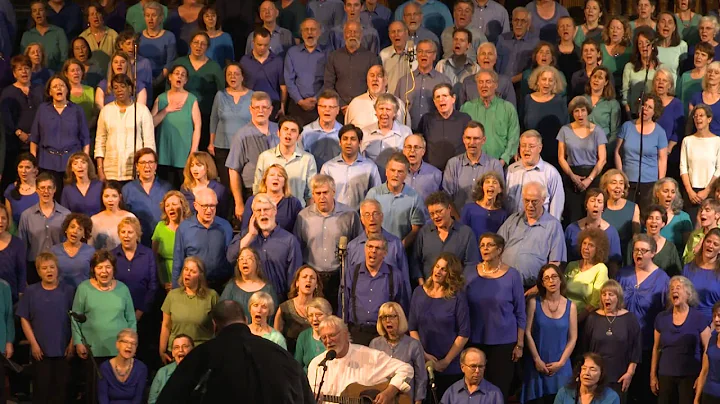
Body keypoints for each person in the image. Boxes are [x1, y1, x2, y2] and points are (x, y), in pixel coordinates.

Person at [156, 300, 314, 403]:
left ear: (214, 325)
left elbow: (170, 397)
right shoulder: (279, 353)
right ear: (245, 320)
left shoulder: (202, 355)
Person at [72, 250, 136, 403]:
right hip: (93, 351)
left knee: (116, 392)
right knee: (94, 393)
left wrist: (130, 344)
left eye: (108, 267)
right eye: (100, 267)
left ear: (113, 269)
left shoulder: (123, 289)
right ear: (94, 269)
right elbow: (75, 318)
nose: (104, 271)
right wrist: (78, 342)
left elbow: (131, 320)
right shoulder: (84, 288)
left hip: (118, 351)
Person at [465, 234, 525, 399]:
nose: (484, 248)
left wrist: (519, 344)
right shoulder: (470, 273)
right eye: (482, 245)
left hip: (504, 342)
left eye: (489, 245)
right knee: (475, 389)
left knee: (499, 389)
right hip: (475, 340)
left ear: (499, 250)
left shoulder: (513, 275)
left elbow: (520, 312)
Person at [616, 234, 670, 403]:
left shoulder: (662, 280)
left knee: (642, 393)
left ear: (653, 253)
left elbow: (665, 315)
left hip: (646, 345)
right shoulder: (623, 274)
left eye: (643, 250)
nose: (638, 253)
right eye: (636, 250)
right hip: (621, 342)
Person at [308, 315, 413, 401]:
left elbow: (406, 369)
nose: (328, 341)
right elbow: (313, 396)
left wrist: (389, 392)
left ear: (345, 334)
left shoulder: (369, 356)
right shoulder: (317, 364)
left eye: (332, 335)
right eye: (323, 338)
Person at [294, 174, 362, 307]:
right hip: (313, 277)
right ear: (312, 195)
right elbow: (298, 247)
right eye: (317, 193)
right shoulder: (303, 216)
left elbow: (358, 245)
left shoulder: (349, 215)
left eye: (325, 192)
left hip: (340, 275)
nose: (322, 197)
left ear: (333, 192)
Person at [17, 252, 74, 404]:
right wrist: (34, 344)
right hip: (40, 351)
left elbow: (76, 320)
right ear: (38, 271)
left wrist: (72, 343)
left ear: (57, 269)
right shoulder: (31, 292)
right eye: (44, 268)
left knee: (61, 392)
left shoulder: (68, 291)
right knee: (41, 392)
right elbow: (24, 318)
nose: (49, 271)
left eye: (52, 267)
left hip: (63, 350)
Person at [227, 193, 303, 298]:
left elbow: (294, 280)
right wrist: (250, 235)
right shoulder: (246, 236)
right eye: (258, 210)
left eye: (266, 209)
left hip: (278, 299)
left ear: (275, 211)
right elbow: (231, 257)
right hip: (249, 298)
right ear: (253, 214)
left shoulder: (290, 241)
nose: (263, 213)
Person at [522, 264, 578, 403]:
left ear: (560, 279)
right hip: (537, 365)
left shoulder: (571, 306)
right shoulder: (534, 303)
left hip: (561, 366)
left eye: (554, 277)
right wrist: (537, 359)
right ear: (542, 283)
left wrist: (561, 362)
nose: (551, 281)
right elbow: (527, 332)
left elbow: (573, 337)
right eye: (546, 278)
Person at [651, 276, 710, 404]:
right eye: (671, 288)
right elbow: (656, 348)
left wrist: (701, 377)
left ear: (688, 293)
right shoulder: (661, 318)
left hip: (689, 376)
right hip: (665, 375)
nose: (674, 291)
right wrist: (652, 375)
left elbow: (707, 349)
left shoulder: (699, 318)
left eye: (678, 288)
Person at [342, 233, 408, 345]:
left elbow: (401, 305)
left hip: (384, 334)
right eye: (370, 247)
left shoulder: (395, 275)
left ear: (385, 253)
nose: (373, 251)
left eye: (377, 248)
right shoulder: (353, 272)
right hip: (357, 333)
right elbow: (344, 302)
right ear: (365, 250)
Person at [497, 181, 566, 288]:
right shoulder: (512, 220)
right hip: (503, 283)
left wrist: (538, 288)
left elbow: (555, 264)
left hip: (532, 287)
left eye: (534, 201)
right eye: (526, 201)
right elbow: (497, 247)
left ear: (543, 200)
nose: (530, 205)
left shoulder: (553, 226)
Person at [583, 280, 641, 401]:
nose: (607, 298)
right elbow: (584, 349)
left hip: (619, 377)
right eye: (604, 294)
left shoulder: (629, 319)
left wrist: (629, 374)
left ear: (618, 297)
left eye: (611, 294)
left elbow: (636, 349)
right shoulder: (593, 318)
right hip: (595, 378)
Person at [225, 91, 279, 221]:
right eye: (256, 107)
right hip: (252, 192)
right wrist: (239, 203)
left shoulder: (279, 130)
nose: (261, 111)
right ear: (250, 109)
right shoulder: (241, 135)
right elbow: (233, 170)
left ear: (270, 110)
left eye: (264, 107)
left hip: (277, 192)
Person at [30, 74, 91, 186]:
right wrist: (33, 162)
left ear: (67, 90)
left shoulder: (77, 110)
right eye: (55, 86)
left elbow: (85, 139)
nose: (59, 88)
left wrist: (84, 161)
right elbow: (34, 138)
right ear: (49, 92)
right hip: (47, 162)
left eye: (62, 86)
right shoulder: (43, 109)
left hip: (71, 164)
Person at [169, 31, 223, 152]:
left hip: (205, 115)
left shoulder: (214, 67)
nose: (199, 46)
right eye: (196, 43)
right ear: (190, 44)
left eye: (203, 44)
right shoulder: (180, 63)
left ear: (207, 47)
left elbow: (221, 92)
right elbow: (169, 88)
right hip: (181, 113)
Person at [557, 96, 608, 225]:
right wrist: (573, 177)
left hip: (592, 175)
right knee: (573, 215)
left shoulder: (597, 131)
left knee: (591, 215)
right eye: (576, 111)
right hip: (571, 175)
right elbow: (561, 158)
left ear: (588, 111)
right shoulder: (565, 130)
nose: (580, 114)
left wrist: (589, 180)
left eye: (583, 110)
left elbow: (602, 159)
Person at [347, 198, 412, 300]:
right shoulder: (352, 247)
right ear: (361, 219)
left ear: (382, 217)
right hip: (361, 308)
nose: (372, 218)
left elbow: (404, 282)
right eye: (367, 215)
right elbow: (346, 286)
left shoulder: (395, 244)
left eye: (375, 213)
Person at [95, 74, 155, 182]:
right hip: (110, 171)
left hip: (135, 172)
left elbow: (149, 143)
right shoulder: (106, 111)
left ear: (130, 88)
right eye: (116, 87)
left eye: (122, 86)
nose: (119, 90)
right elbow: (100, 142)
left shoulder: (142, 111)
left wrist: (147, 169)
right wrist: (100, 170)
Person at [160, 256, 218, 365]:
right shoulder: (173, 295)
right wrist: (162, 350)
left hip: (202, 352)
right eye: (186, 269)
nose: (187, 273)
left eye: (192, 271)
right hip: (176, 353)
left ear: (200, 276)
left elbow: (218, 327)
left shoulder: (211, 296)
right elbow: (166, 325)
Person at [172, 188, 233, 290]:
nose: (209, 210)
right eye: (205, 206)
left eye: (212, 206)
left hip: (221, 286)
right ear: (195, 206)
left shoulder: (225, 226)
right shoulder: (184, 228)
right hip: (194, 286)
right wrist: (175, 290)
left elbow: (231, 258)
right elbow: (178, 262)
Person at [413, 191, 479, 284]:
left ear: (449, 209)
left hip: (456, 290)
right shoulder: (424, 233)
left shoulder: (466, 233)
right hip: (428, 290)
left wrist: (459, 286)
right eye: (432, 214)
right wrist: (422, 284)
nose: (436, 216)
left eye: (439, 211)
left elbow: (471, 265)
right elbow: (415, 262)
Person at [152, 64, 201, 189]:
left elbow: (197, 126)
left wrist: (193, 150)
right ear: (170, 77)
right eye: (177, 73)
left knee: (184, 187)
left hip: (184, 153)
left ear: (185, 80)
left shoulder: (191, 99)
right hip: (164, 152)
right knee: (164, 188)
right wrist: (166, 110)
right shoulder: (161, 98)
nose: (179, 76)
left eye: (183, 75)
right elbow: (151, 124)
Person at [615, 94, 668, 202]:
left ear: (655, 112)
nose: (645, 109)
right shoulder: (627, 126)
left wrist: (660, 183)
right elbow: (617, 152)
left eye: (650, 107)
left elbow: (662, 159)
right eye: (643, 105)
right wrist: (621, 176)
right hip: (628, 180)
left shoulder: (660, 132)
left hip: (649, 183)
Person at [0, 56, 44, 188]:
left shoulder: (40, 89)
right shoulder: (7, 92)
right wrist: (19, 133)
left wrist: (35, 136)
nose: (24, 72)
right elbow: (6, 118)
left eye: (27, 68)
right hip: (16, 145)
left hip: (39, 143)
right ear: (14, 73)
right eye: (20, 69)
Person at [18, 172, 70, 284]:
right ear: (36, 190)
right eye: (42, 188)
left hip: (59, 267)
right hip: (34, 268)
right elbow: (22, 247)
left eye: (49, 188)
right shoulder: (26, 215)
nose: (46, 191)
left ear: (55, 189)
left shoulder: (66, 215)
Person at [370, 302, 427, 403]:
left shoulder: (413, 345)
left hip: (405, 399)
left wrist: (418, 401)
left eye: (392, 316)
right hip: (381, 399)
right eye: (383, 317)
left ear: (400, 318)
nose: (387, 321)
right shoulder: (375, 344)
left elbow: (421, 377)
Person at [253, 116, 317, 205]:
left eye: (293, 131)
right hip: (269, 211)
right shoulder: (265, 157)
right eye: (285, 129)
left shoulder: (307, 159)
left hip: (298, 213)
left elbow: (311, 194)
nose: (288, 133)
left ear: (298, 137)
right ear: (278, 133)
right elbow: (258, 189)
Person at [442, 121, 504, 213]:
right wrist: (459, 221)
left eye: (476, 138)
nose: (472, 142)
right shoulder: (453, 164)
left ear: (483, 140)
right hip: (458, 220)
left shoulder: (494, 165)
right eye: (468, 138)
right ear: (463, 139)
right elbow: (447, 197)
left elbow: (499, 197)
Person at [209, 63, 252, 192]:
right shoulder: (220, 95)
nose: (233, 77)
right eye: (229, 74)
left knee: (243, 184)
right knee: (226, 185)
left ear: (242, 77)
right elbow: (214, 119)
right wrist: (211, 142)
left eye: (236, 74)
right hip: (223, 147)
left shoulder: (252, 96)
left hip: (245, 148)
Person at [365, 152, 425, 246]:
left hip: (402, 252)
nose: (395, 175)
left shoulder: (414, 197)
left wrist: (399, 248)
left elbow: (416, 229)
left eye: (400, 171)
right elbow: (366, 222)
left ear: (406, 174)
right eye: (392, 170)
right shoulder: (373, 194)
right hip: (375, 250)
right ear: (386, 171)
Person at [319, 124, 382, 211]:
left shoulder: (370, 167)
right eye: (345, 139)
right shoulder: (328, 168)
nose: (348, 142)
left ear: (359, 142)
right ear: (340, 142)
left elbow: (377, 196)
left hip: (361, 218)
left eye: (353, 139)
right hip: (335, 217)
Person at [505, 130, 565, 220]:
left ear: (540, 148)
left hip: (539, 228)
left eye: (531, 146)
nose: (526, 149)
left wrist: (551, 228)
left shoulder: (550, 173)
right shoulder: (511, 170)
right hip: (513, 228)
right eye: (523, 146)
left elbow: (556, 208)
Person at [323, 21, 381, 112]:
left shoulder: (371, 58)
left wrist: (357, 105)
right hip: (338, 110)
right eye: (349, 32)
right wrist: (341, 105)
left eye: (355, 32)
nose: (352, 35)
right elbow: (328, 84)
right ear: (344, 35)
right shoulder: (334, 56)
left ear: (361, 35)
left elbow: (375, 86)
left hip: (363, 109)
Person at [394, 39, 451, 131]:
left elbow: (450, 111)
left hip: (435, 132)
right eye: (420, 51)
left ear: (434, 56)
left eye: (428, 52)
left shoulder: (443, 81)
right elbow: (395, 109)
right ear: (416, 55)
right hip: (408, 133)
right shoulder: (404, 81)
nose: (423, 55)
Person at [122, 148, 173, 247]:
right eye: (143, 162)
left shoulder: (167, 188)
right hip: (137, 243)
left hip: (163, 241)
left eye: (150, 162)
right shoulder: (127, 189)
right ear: (137, 166)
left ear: (156, 165)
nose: (147, 166)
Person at [417, 83, 472, 172]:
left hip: (459, 171)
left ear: (453, 98)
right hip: (432, 171)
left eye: (445, 96)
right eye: (437, 97)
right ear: (434, 102)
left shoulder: (465, 119)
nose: (441, 100)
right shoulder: (427, 119)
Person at [112, 216, 157, 323]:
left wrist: (140, 311)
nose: (126, 235)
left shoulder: (148, 254)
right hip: (118, 312)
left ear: (137, 234)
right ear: (119, 234)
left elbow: (153, 285)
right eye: (123, 232)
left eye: (130, 232)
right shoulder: (112, 255)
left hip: (144, 313)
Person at [220, 246, 279, 324]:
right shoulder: (231, 287)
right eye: (241, 259)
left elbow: (273, 319)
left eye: (249, 258)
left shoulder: (268, 289)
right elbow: (221, 314)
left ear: (257, 263)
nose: (245, 262)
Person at [284, 18, 327, 126]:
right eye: (306, 29)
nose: (309, 33)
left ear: (319, 32)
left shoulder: (327, 54)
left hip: (320, 106)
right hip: (297, 106)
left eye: (313, 29)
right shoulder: (292, 52)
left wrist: (316, 98)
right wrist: (300, 101)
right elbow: (289, 80)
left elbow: (329, 80)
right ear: (301, 33)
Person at [680, 104, 720, 218]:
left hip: (710, 191)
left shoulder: (717, 141)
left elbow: (719, 169)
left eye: (701, 115)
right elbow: (683, 168)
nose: (698, 118)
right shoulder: (687, 141)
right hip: (691, 192)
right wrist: (689, 191)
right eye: (695, 116)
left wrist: (707, 190)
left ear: (709, 119)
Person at [564, 227, 610, 324]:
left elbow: (594, 303)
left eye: (591, 245)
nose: (586, 248)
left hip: (586, 319)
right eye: (584, 243)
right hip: (565, 315)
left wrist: (575, 321)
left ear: (598, 249)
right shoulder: (572, 265)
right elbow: (561, 292)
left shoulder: (601, 269)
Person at [564, 189, 622, 266]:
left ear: (603, 207)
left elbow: (614, 263)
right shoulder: (571, 229)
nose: (596, 205)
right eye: (592, 200)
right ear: (586, 205)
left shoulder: (611, 232)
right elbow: (565, 258)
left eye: (599, 201)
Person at [360, 94, 412, 177]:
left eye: (388, 109)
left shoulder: (405, 132)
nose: (384, 113)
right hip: (370, 179)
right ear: (376, 112)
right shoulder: (365, 132)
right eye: (381, 109)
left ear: (395, 113)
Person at [344, 64, 410, 129]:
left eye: (379, 76)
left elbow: (407, 132)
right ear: (367, 81)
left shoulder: (399, 104)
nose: (375, 79)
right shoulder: (355, 104)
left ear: (386, 80)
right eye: (372, 76)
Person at [275, 265, 322, 353]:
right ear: (297, 283)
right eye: (304, 277)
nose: (308, 280)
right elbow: (276, 339)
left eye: (312, 278)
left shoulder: (322, 308)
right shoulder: (284, 309)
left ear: (316, 285)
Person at [241, 165, 302, 232]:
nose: (276, 178)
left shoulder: (294, 203)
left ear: (284, 182)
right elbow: (245, 230)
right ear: (265, 180)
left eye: (280, 175)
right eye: (272, 175)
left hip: (284, 241)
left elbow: (298, 232)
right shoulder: (252, 201)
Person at [629, 204, 683, 278]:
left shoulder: (670, 248)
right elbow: (628, 269)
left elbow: (677, 275)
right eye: (650, 218)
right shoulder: (635, 243)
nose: (654, 221)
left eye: (657, 218)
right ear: (645, 222)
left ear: (663, 223)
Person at [98, 329, 148, 404]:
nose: (129, 346)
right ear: (117, 344)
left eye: (133, 343)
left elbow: (138, 398)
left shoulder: (141, 368)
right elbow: (102, 397)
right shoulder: (105, 367)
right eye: (125, 342)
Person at [682, 227, 720, 324]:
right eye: (708, 241)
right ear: (703, 242)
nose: (710, 246)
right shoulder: (688, 268)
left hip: (712, 324)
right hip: (688, 321)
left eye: (715, 244)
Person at [137, 1, 177, 88]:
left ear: (161, 18)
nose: (150, 18)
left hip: (162, 81)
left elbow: (170, 63)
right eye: (147, 15)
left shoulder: (169, 37)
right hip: (141, 81)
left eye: (154, 15)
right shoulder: (138, 36)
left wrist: (157, 81)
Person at [554, 353, 621, 404]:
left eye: (593, 369)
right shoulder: (564, 393)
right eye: (584, 368)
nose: (587, 373)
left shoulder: (611, 397)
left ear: (601, 374)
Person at [21, 0, 68, 72]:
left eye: (40, 10)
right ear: (32, 15)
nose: (37, 13)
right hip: (34, 77)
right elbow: (23, 60)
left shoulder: (58, 32)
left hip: (56, 75)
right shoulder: (27, 35)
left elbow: (64, 58)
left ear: (46, 12)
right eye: (34, 11)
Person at [300, 90, 342, 170]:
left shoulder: (343, 133)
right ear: (318, 108)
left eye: (331, 107)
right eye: (323, 106)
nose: (327, 110)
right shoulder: (305, 132)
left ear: (337, 110)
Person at [50, 213, 95, 288]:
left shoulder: (90, 251)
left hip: (83, 293)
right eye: (72, 227)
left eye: (80, 229)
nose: (75, 231)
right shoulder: (54, 251)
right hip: (60, 293)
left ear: (84, 234)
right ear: (66, 229)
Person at [460, 172, 507, 240]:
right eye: (487, 182)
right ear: (482, 187)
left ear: (500, 189)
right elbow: (462, 234)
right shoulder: (469, 209)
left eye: (494, 182)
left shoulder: (502, 214)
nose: (491, 185)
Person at [148, 334, 194, 404]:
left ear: (193, 350)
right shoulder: (163, 372)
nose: (181, 350)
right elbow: (152, 401)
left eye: (185, 346)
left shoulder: (201, 371)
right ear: (172, 353)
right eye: (176, 347)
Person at [180, 151, 229, 216]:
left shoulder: (219, 189)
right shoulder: (185, 188)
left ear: (208, 167)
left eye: (199, 165)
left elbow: (224, 214)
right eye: (192, 166)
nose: (195, 169)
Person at [90, 181, 136, 251]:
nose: (110, 200)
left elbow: (135, 244)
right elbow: (90, 246)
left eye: (114, 196)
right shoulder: (94, 220)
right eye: (106, 196)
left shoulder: (129, 217)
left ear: (120, 197)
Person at [652, 177, 693, 254]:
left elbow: (688, 248)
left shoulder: (683, 218)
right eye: (665, 191)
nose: (669, 195)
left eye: (673, 192)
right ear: (657, 193)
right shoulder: (649, 217)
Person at [436, 28, 480, 96]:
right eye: (455, 39)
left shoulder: (475, 68)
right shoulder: (441, 65)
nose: (458, 42)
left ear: (468, 45)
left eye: (462, 40)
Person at [585, 66, 622, 149]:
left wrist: (605, 150)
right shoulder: (582, 100)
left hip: (603, 147)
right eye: (594, 77)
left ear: (606, 82)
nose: (596, 80)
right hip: (582, 147)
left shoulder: (612, 104)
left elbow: (614, 133)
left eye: (600, 78)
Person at [403, 134, 441, 210]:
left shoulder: (436, 174)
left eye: (416, 147)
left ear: (423, 151)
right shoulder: (396, 173)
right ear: (403, 150)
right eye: (409, 147)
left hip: (425, 220)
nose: (412, 150)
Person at [295, 297, 332, 373]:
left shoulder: (335, 337)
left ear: (329, 315)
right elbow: (297, 366)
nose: (314, 319)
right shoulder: (303, 336)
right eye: (311, 315)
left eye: (319, 315)